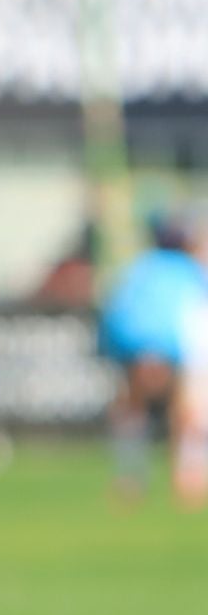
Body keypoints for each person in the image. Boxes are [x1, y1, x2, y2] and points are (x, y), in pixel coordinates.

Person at [99, 211, 208, 508]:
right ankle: (188, 477)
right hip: (175, 347)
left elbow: (115, 311)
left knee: (133, 409)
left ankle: (131, 480)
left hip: (134, 346)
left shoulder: (138, 268)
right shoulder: (190, 270)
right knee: (184, 411)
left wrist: (115, 349)